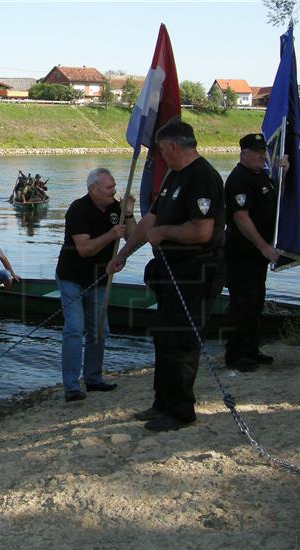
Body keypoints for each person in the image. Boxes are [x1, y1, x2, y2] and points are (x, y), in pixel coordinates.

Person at [107, 121, 225, 432]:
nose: (161, 156)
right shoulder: (175, 176)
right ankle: (163, 402)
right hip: (169, 272)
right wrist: (123, 254)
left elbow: (202, 231)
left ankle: (181, 412)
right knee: (164, 337)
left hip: (196, 271)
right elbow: (150, 220)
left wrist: (165, 232)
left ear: (174, 146)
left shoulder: (203, 177)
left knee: (183, 341)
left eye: (161, 150)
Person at [56, 168, 135, 402]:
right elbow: (85, 249)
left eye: (114, 186)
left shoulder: (115, 209)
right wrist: (112, 235)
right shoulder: (78, 209)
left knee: (99, 329)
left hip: (100, 278)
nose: (115, 191)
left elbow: (132, 238)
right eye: (109, 188)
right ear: (93, 189)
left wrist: (128, 214)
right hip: (72, 278)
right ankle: (71, 386)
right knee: (74, 329)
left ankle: (93, 379)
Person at [224, 133, 288, 372]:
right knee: (242, 302)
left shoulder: (260, 176)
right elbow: (241, 217)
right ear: (244, 154)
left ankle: (251, 350)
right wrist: (263, 246)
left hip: (256, 254)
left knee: (255, 302)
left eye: (264, 152)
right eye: (257, 152)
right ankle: (236, 354)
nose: (263, 156)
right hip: (242, 252)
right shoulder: (240, 179)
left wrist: (285, 172)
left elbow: (276, 199)